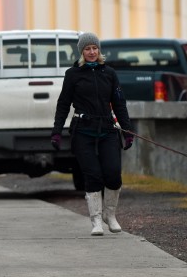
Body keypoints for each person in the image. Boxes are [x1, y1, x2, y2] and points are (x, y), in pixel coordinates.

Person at [51, 32, 135, 235]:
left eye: (94, 48)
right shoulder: (73, 74)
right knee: (93, 175)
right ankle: (96, 220)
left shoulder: (109, 73)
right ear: (82, 52)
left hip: (107, 129)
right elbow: (63, 104)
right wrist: (56, 131)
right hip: (83, 130)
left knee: (113, 174)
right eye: (87, 49)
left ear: (99, 51)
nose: (91, 52)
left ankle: (110, 215)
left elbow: (119, 103)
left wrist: (127, 130)